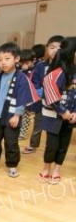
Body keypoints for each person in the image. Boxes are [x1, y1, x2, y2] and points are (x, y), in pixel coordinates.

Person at [0, 43, 37, 178]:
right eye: (0, 59)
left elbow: (22, 97)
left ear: (16, 59)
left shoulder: (22, 78)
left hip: (11, 117)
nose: (3, 62)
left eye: (7, 58)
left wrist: (17, 115)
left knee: (11, 142)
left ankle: (12, 165)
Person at [38, 37, 76, 184]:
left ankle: (56, 170)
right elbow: (51, 96)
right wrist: (63, 111)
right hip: (53, 116)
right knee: (52, 145)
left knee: (63, 145)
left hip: (70, 118)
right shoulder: (55, 73)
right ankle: (46, 168)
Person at [23, 35, 64, 154]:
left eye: (59, 48)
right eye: (52, 47)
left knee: (59, 126)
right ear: (47, 48)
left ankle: (56, 148)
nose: (55, 50)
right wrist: (39, 91)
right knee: (38, 123)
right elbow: (34, 81)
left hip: (59, 102)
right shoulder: (41, 66)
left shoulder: (65, 66)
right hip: (42, 101)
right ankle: (33, 145)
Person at [18, 49, 36, 140]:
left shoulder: (35, 70)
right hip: (20, 95)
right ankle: (17, 129)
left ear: (33, 60)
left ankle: (23, 132)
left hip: (29, 97)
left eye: (27, 62)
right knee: (18, 113)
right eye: (22, 62)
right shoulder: (20, 70)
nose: (24, 65)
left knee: (26, 115)